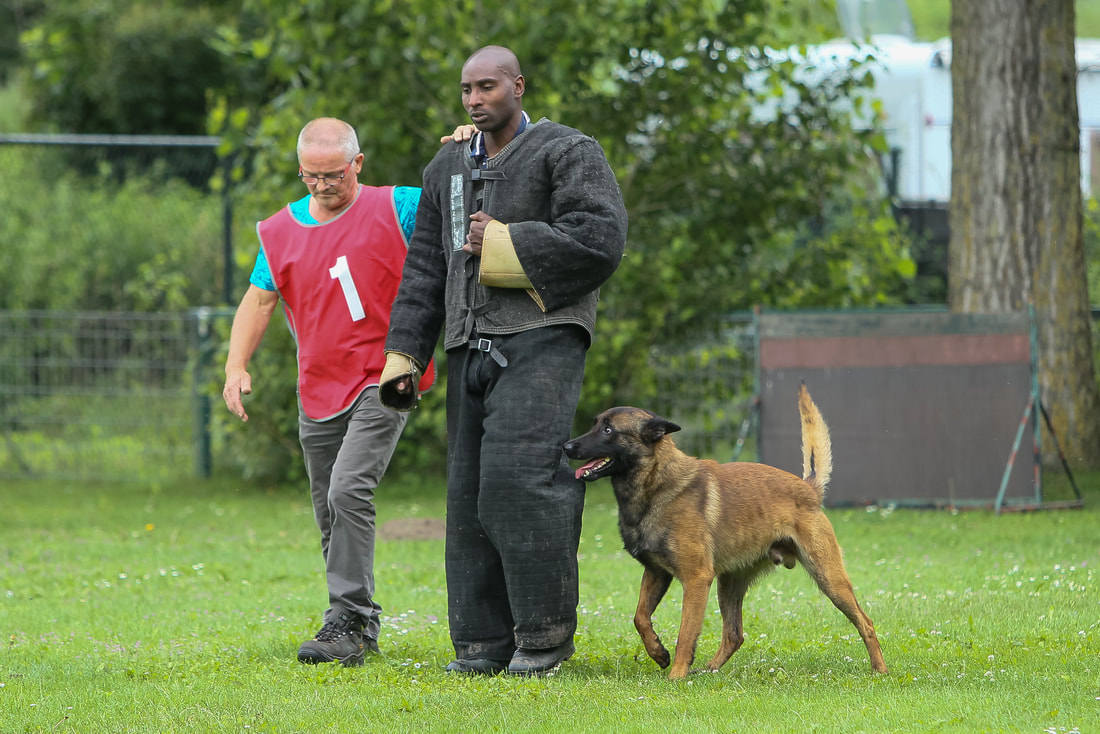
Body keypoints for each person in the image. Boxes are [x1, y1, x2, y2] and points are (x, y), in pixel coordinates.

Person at [379, 46, 629, 676]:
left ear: (518, 85)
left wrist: (505, 243)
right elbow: (425, 267)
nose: (474, 100)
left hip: (542, 338)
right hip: (467, 345)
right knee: (467, 499)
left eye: (487, 86)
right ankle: (481, 647)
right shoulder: (447, 166)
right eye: (466, 89)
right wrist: (404, 352)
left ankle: (543, 641)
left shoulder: (569, 152)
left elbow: (601, 239)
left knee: (519, 485)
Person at [221, 117, 441, 667]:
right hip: (318, 383)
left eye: (333, 176)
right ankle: (354, 623)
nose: (322, 186)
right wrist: (235, 365)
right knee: (328, 509)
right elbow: (259, 299)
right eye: (310, 176)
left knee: (348, 490)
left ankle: (347, 616)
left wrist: (470, 144)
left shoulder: (400, 206)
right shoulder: (280, 230)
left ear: (357, 165)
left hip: (386, 374)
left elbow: (455, 199)